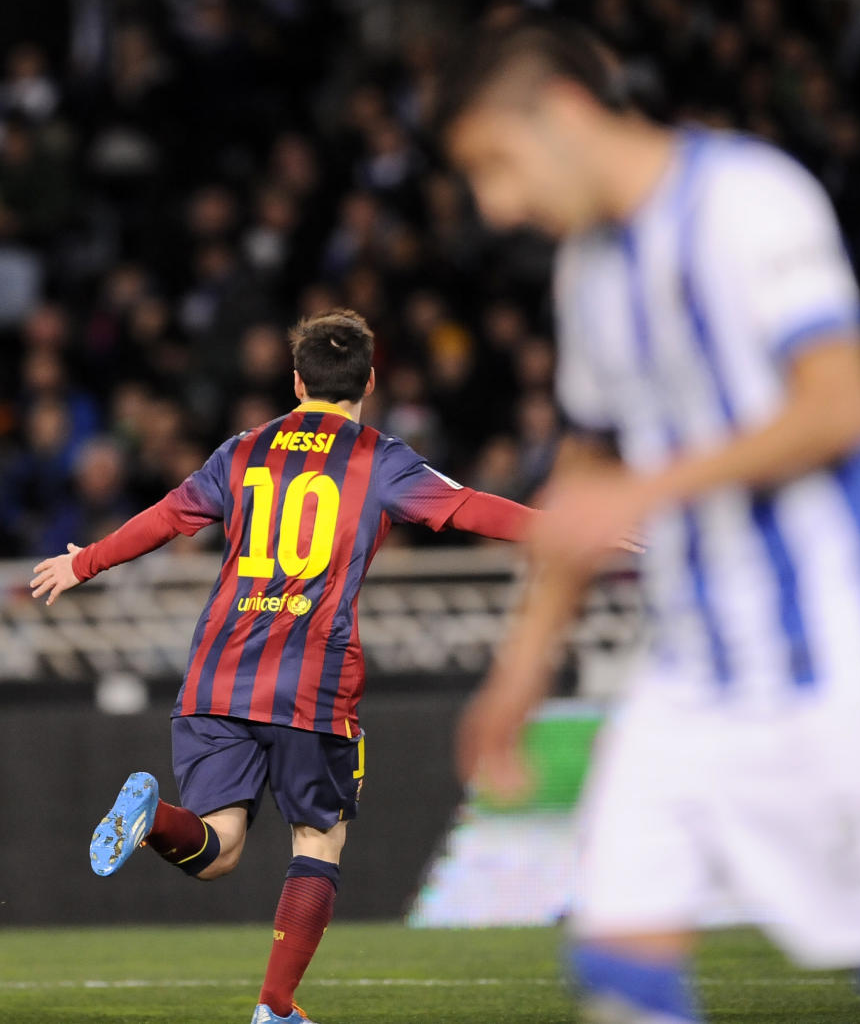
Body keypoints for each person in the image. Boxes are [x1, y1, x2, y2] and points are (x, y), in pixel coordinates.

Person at [439, 20, 860, 1024]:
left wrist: (648, 490)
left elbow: (841, 403)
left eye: (497, 165)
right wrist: (521, 668)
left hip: (840, 664)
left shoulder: (748, 200)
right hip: (689, 678)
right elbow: (588, 470)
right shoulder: (586, 271)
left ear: (564, 111)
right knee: (622, 976)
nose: (497, 205)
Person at [30, 308, 532, 1024]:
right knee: (319, 838)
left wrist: (84, 560)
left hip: (216, 673)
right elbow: (470, 509)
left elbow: (170, 516)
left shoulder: (241, 451)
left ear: (297, 380)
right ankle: (275, 1006)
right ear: (369, 381)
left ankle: (151, 824)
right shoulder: (379, 457)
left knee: (219, 846)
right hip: (310, 682)